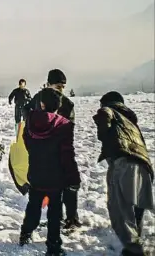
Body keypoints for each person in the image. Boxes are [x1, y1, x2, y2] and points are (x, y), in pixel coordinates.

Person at [19, 88, 80, 256]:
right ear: (58, 107)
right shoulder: (65, 125)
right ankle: (53, 246)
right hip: (56, 177)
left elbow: (27, 143)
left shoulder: (30, 120)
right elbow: (67, 154)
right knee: (55, 212)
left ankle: (26, 233)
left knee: (33, 206)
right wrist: (73, 177)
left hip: (36, 174)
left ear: (42, 104)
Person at [93, 91, 153, 256]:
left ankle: (133, 249)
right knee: (137, 206)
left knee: (119, 206)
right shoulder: (130, 122)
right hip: (144, 166)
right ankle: (135, 241)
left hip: (123, 162)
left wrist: (102, 130)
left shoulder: (109, 109)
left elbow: (104, 115)